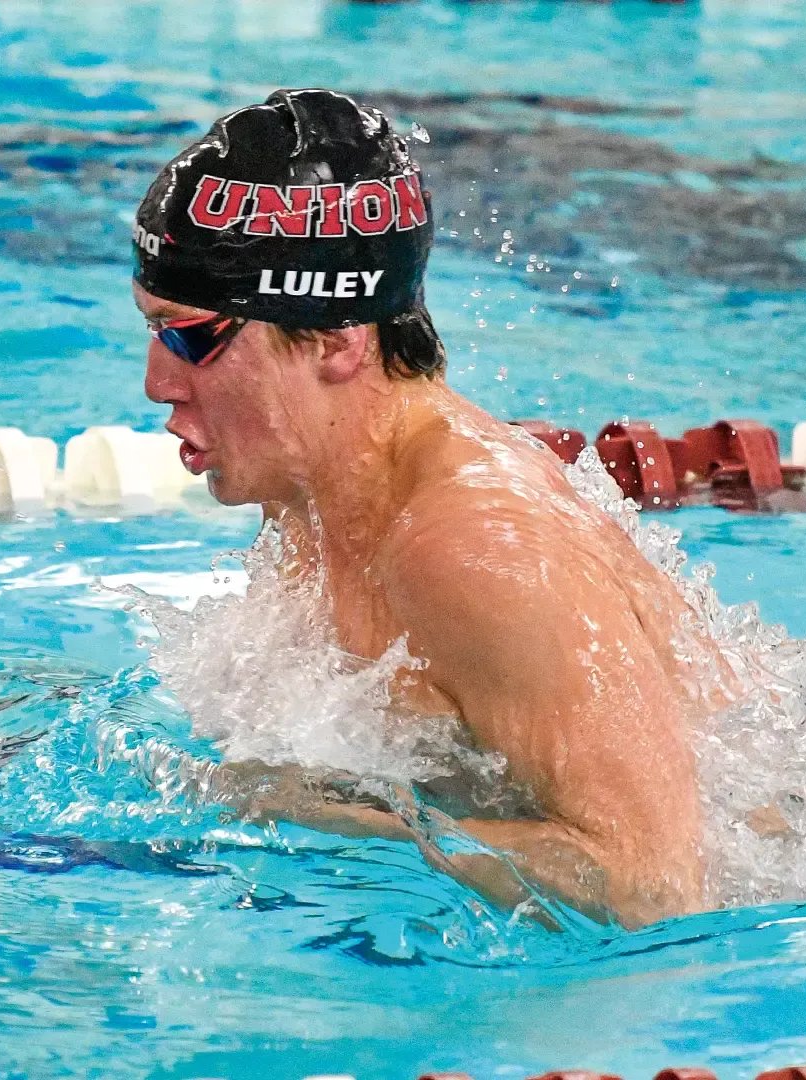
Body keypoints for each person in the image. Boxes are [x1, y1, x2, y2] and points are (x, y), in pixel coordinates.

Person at [132, 88, 715, 930]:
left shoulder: (474, 550)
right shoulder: (310, 488)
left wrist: (322, 818)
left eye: (191, 336)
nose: (158, 382)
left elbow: (651, 885)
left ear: (338, 337)